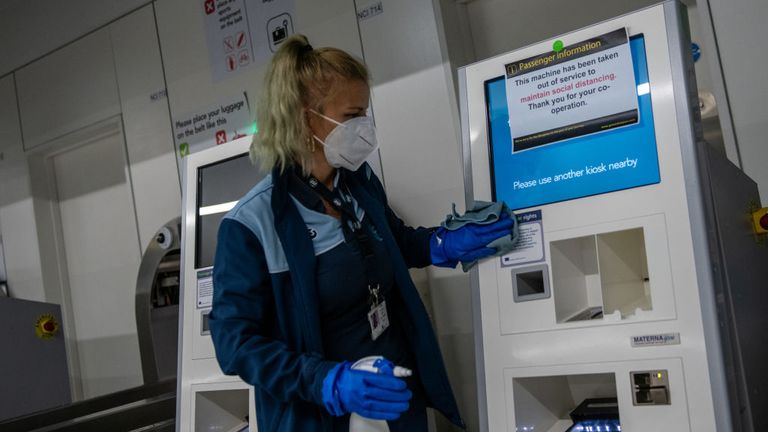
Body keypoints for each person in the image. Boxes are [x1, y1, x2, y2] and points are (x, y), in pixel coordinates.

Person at [209, 34, 515, 431]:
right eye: (352, 116)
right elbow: (236, 345)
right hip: (328, 413)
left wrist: (443, 243)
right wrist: (328, 383)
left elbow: (396, 242)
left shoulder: (357, 181)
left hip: (395, 397)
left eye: (366, 114)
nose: (365, 129)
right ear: (306, 118)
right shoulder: (251, 225)